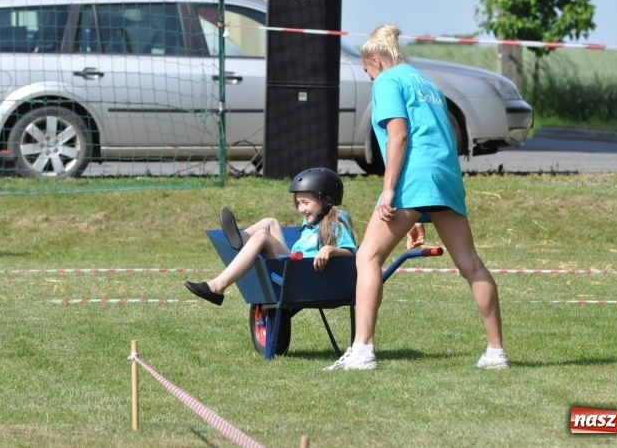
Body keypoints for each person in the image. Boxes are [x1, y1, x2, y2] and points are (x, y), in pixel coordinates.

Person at [325, 25, 508, 371]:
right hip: (446, 178)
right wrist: (418, 217)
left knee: (368, 257)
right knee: (471, 264)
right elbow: (433, 137)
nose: (368, 78)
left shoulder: (388, 81)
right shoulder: (427, 83)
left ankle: (362, 351)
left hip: (413, 180)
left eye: (367, 71)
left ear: (377, 60)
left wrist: (390, 190)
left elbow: (399, 136)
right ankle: (496, 352)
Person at [185, 167, 358, 305]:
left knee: (262, 236)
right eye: (298, 203)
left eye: (306, 203)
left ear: (327, 200)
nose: (301, 209)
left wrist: (330, 249)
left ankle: (217, 286)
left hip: (307, 275)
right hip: (296, 268)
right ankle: (241, 239)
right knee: (271, 222)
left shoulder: (337, 219)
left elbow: (351, 254)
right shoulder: (312, 222)